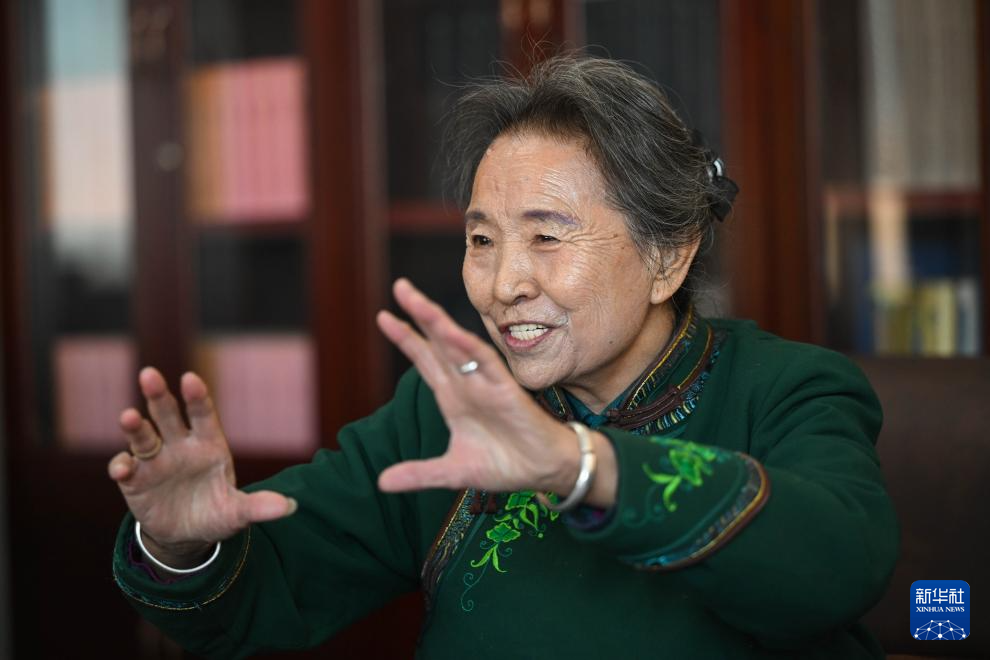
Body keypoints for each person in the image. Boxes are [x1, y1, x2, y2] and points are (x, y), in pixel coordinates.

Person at [108, 56, 898, 659]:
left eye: (547, 237)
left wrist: (580, 467)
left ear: (669, 256)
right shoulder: (448, 407)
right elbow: (279, 578)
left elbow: (835, 565)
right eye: (482, 240)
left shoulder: (789, 389)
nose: (503, 284)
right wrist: (181, 544)